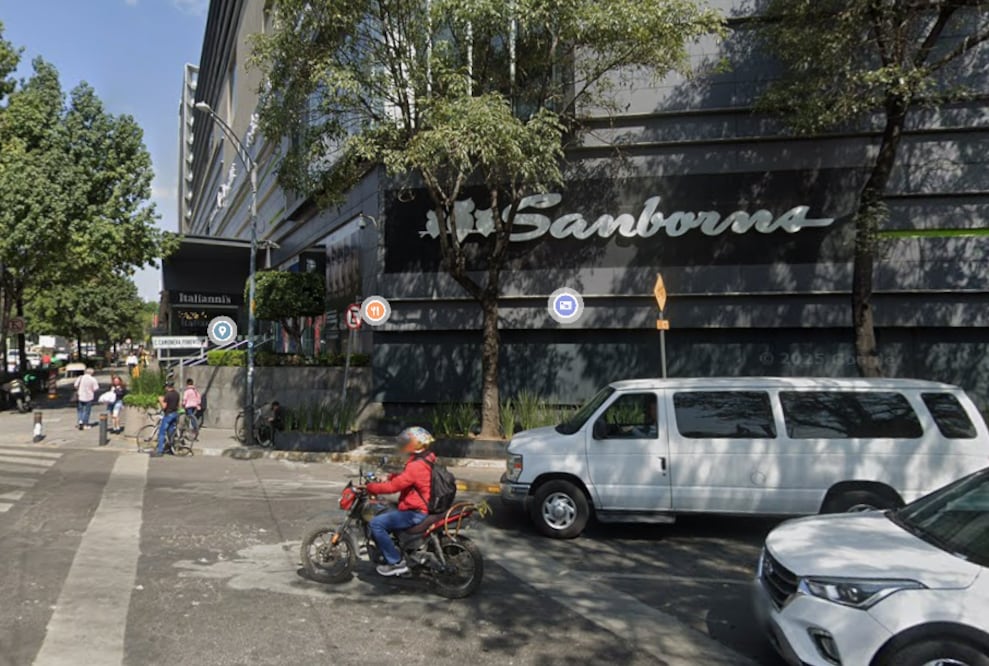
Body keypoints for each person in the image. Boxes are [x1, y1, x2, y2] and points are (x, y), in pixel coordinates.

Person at [364, 427, 436, 577]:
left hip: (416, 512)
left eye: (407, 442)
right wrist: (389, 476)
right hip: (420, 507)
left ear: (416, 444)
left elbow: (394, 487)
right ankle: (399, 550)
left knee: (376, 523)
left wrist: (372, 487)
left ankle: (396, 562)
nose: (404, 446)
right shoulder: (425, 459)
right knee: (389, 510)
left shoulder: (416, 466)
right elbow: (405, 478)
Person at [153, 381, 180, 458]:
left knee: (162, 432)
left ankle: (160, 450)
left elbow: (164, 406)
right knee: (171, 432)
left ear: (167, 387)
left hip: (168, 415)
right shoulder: (177, 394)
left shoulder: (167, 395)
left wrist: (160, 400)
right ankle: (171, 448)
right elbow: (178, 405)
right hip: (175, 414)